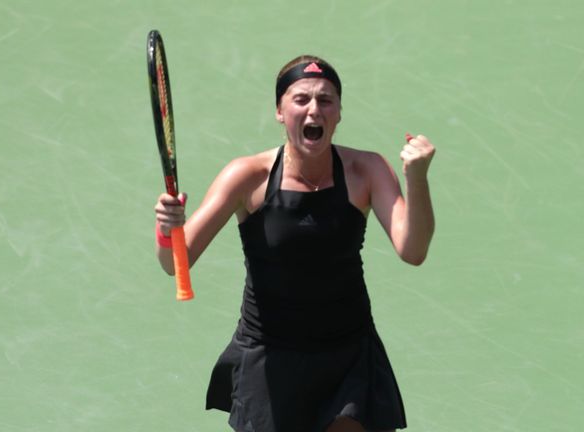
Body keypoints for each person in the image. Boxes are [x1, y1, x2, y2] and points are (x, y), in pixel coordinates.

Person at [154, 55, 435, 432]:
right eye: (301, 99)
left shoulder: (366, 171)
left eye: (326, 100)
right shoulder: (247, 176)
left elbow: (413, 249)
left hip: (347, 353)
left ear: (338, 114)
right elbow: (177, 261)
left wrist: (417, 178)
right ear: (280, 112)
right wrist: (166, 228)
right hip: (270, 358)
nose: (314, 109)